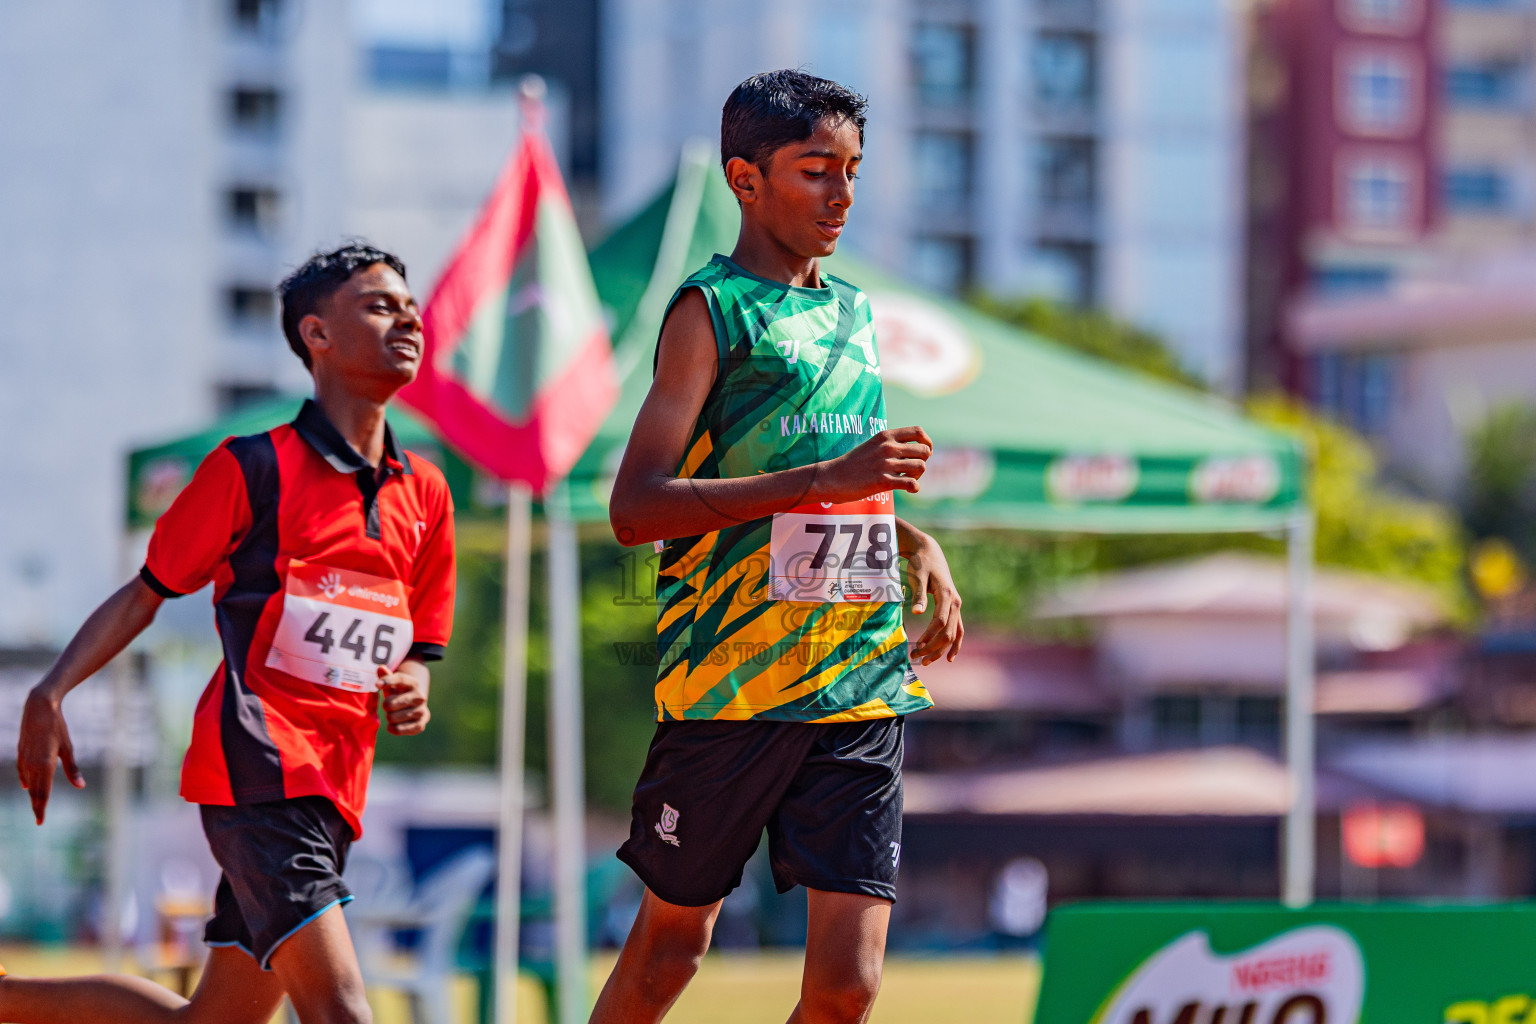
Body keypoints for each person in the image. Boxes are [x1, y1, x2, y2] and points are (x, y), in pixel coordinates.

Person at [2, 243, 456, 1024]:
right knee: (344, 1012)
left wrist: (413, 682)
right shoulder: (252, 468)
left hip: (336, 790)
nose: (407, 318)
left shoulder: (429, 492)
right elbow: (146, 594)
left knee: (211, 1022)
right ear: (316, 335)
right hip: (258, 769)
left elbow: (419, 644)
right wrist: (49, 690)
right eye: (381, 305)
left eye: (410, 307)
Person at [595, 71, 965, 1024]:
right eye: (815, 171)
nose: (841, 194)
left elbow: (837, 480)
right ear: (746, 179)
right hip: (731, 689)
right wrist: (824, 484)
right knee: (673, 947)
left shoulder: (853, 314)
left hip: (858, 680)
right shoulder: (708, 311)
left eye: (851, 171)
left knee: (848, 988)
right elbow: (636, 508)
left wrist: (913, 539)